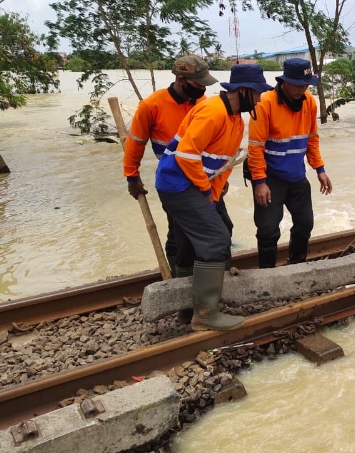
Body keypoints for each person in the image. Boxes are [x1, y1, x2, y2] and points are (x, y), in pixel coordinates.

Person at [155, 64, 272, 331]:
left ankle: (186, 309)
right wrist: (205, 191)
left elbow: (221, 164)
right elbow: (186, 155)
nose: (260, 99)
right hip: (178, 184)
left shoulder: (233, 118)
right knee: (216, 238)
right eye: (256, 94)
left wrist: (213, 195)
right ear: (242, 91)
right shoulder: (213, 112)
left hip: (190, 185)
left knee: (189, 241)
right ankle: (205, 314)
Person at [123, 55, 229, 276]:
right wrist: (132, 176)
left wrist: (222, 179)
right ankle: (180, 278)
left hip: (204, 179)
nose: (202, 88)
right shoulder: (152, 106)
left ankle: (213, 276)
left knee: (222, 226)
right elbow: (136, 143)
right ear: (181, 80)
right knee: (179, 233)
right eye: (197, 84)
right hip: (175, 183)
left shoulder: (204, 104)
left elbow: (218, 147)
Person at [246, 58, 333, 268]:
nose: (302, 90)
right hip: (270, 177)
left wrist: (319, 169)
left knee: (305, 224)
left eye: (306, 85)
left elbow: (312, 138)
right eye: (298, 85)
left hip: (296, 174)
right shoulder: (264, 103)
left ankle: (296, 265)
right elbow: (255, 147)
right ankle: (267, 272)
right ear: (284, 82)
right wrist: (259, 181)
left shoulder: (309, 102)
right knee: (268, 229)